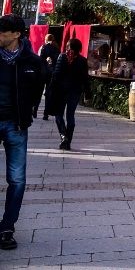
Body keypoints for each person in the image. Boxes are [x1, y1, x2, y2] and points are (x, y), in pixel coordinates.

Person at [0, 14, 46, 250]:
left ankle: (7, 227)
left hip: (16, 125)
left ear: (17, 34)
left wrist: (29, 111)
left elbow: (39, 87)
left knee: (17, 179)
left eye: (3, 32)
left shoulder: (31, 61)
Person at [46, 38, 89, 151]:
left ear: (67, 46)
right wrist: (87, 93)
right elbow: (85, 78)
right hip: (75, 92)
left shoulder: (62, 57)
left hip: (61, 91)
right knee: (70, 116)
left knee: (58, 114)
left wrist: (50, 88)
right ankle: (68, 140)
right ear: (80, 48)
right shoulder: (83, 60)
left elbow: (56, 75)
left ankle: (64, 137)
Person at [36, 34, 60, 121]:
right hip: (51, 73)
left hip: (42, 73)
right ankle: (45, 114)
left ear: (46, 39)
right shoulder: (56, 48)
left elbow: (39, 59)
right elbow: (58, 60)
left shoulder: (43, 47)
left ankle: (35, 110)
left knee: (39, 92)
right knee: (48, 94)